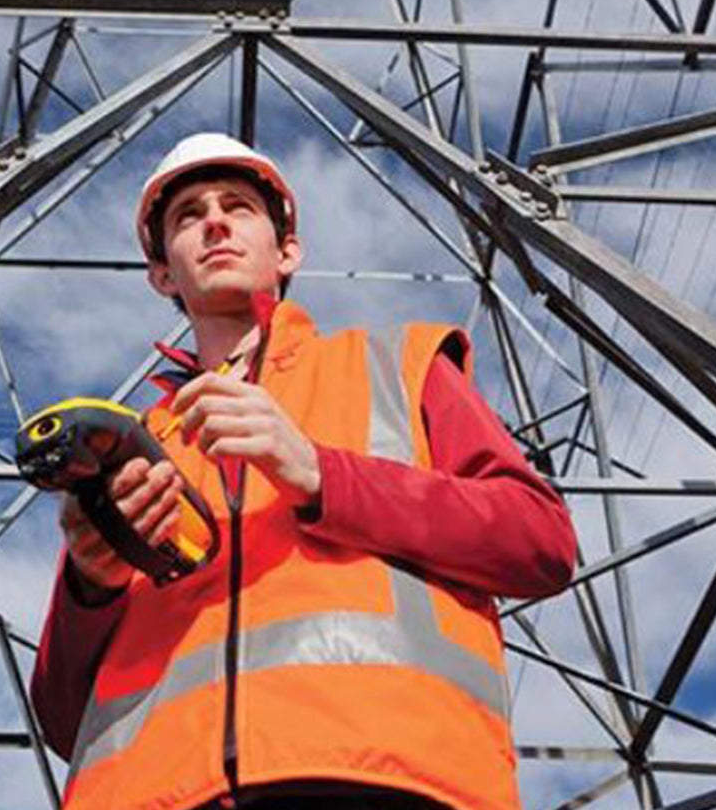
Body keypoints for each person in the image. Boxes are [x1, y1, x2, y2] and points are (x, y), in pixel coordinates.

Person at [30, 133, 576, 810]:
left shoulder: (398, 366)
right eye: (188, 216)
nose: (215, 223)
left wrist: (320, 473)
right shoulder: (135, 452)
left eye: (237, 206)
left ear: (288, 251)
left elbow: (540, 544)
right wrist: (91, 584)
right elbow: (65, 720)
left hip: (382, 778)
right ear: (163, 274)